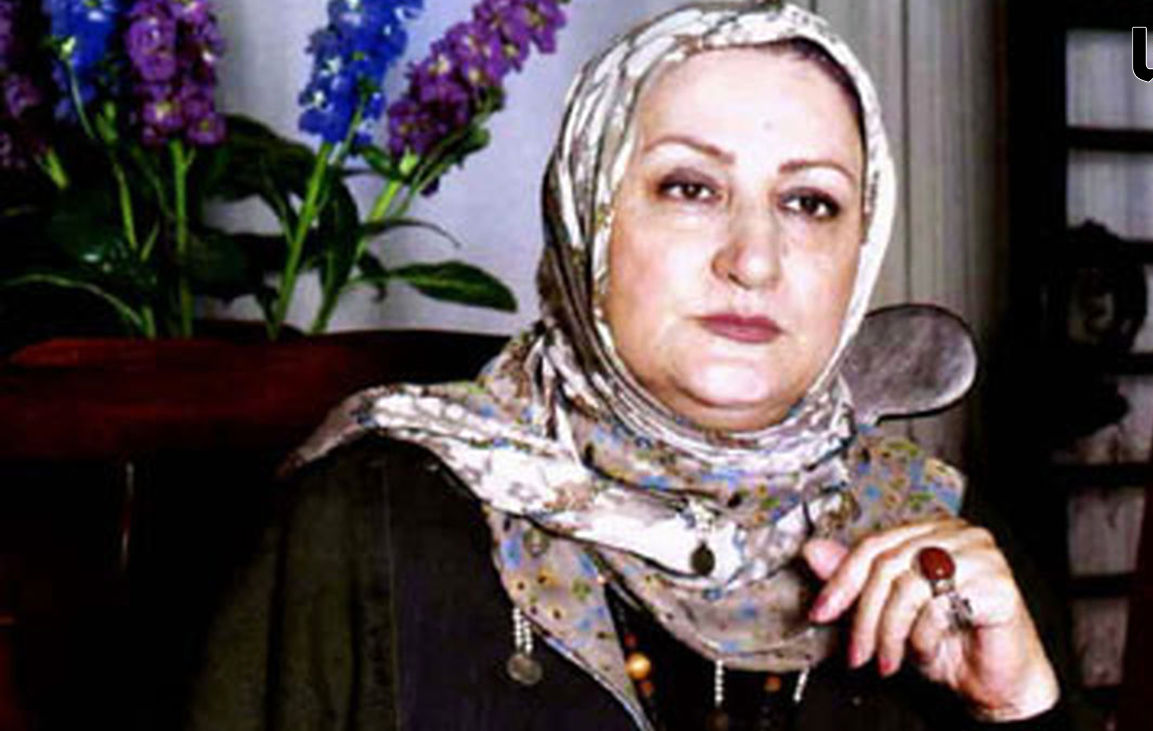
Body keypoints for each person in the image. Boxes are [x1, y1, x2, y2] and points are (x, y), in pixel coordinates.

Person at [187, 3, 1063, 729]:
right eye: (690, 188)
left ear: (860, 254)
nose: (754, 259)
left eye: (809, 202)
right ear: (590, 217)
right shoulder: (367, 518)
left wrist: (1018, 705)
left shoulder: (933, 539)